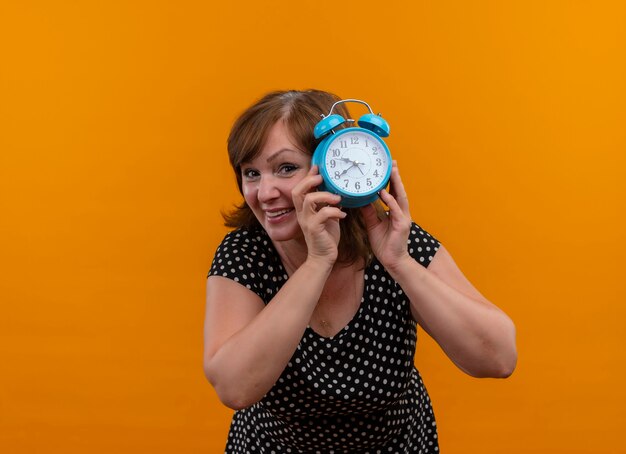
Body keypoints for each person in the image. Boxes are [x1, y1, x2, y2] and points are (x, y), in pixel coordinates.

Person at [203, 89, 517, 453]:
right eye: (251, 173)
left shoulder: (397, 242)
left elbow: (498, 357)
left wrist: (400, 263)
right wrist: (317, 263)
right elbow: (234, 387)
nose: (264, 191)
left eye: (285, 168)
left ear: (334, 166)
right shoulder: (245, 253)